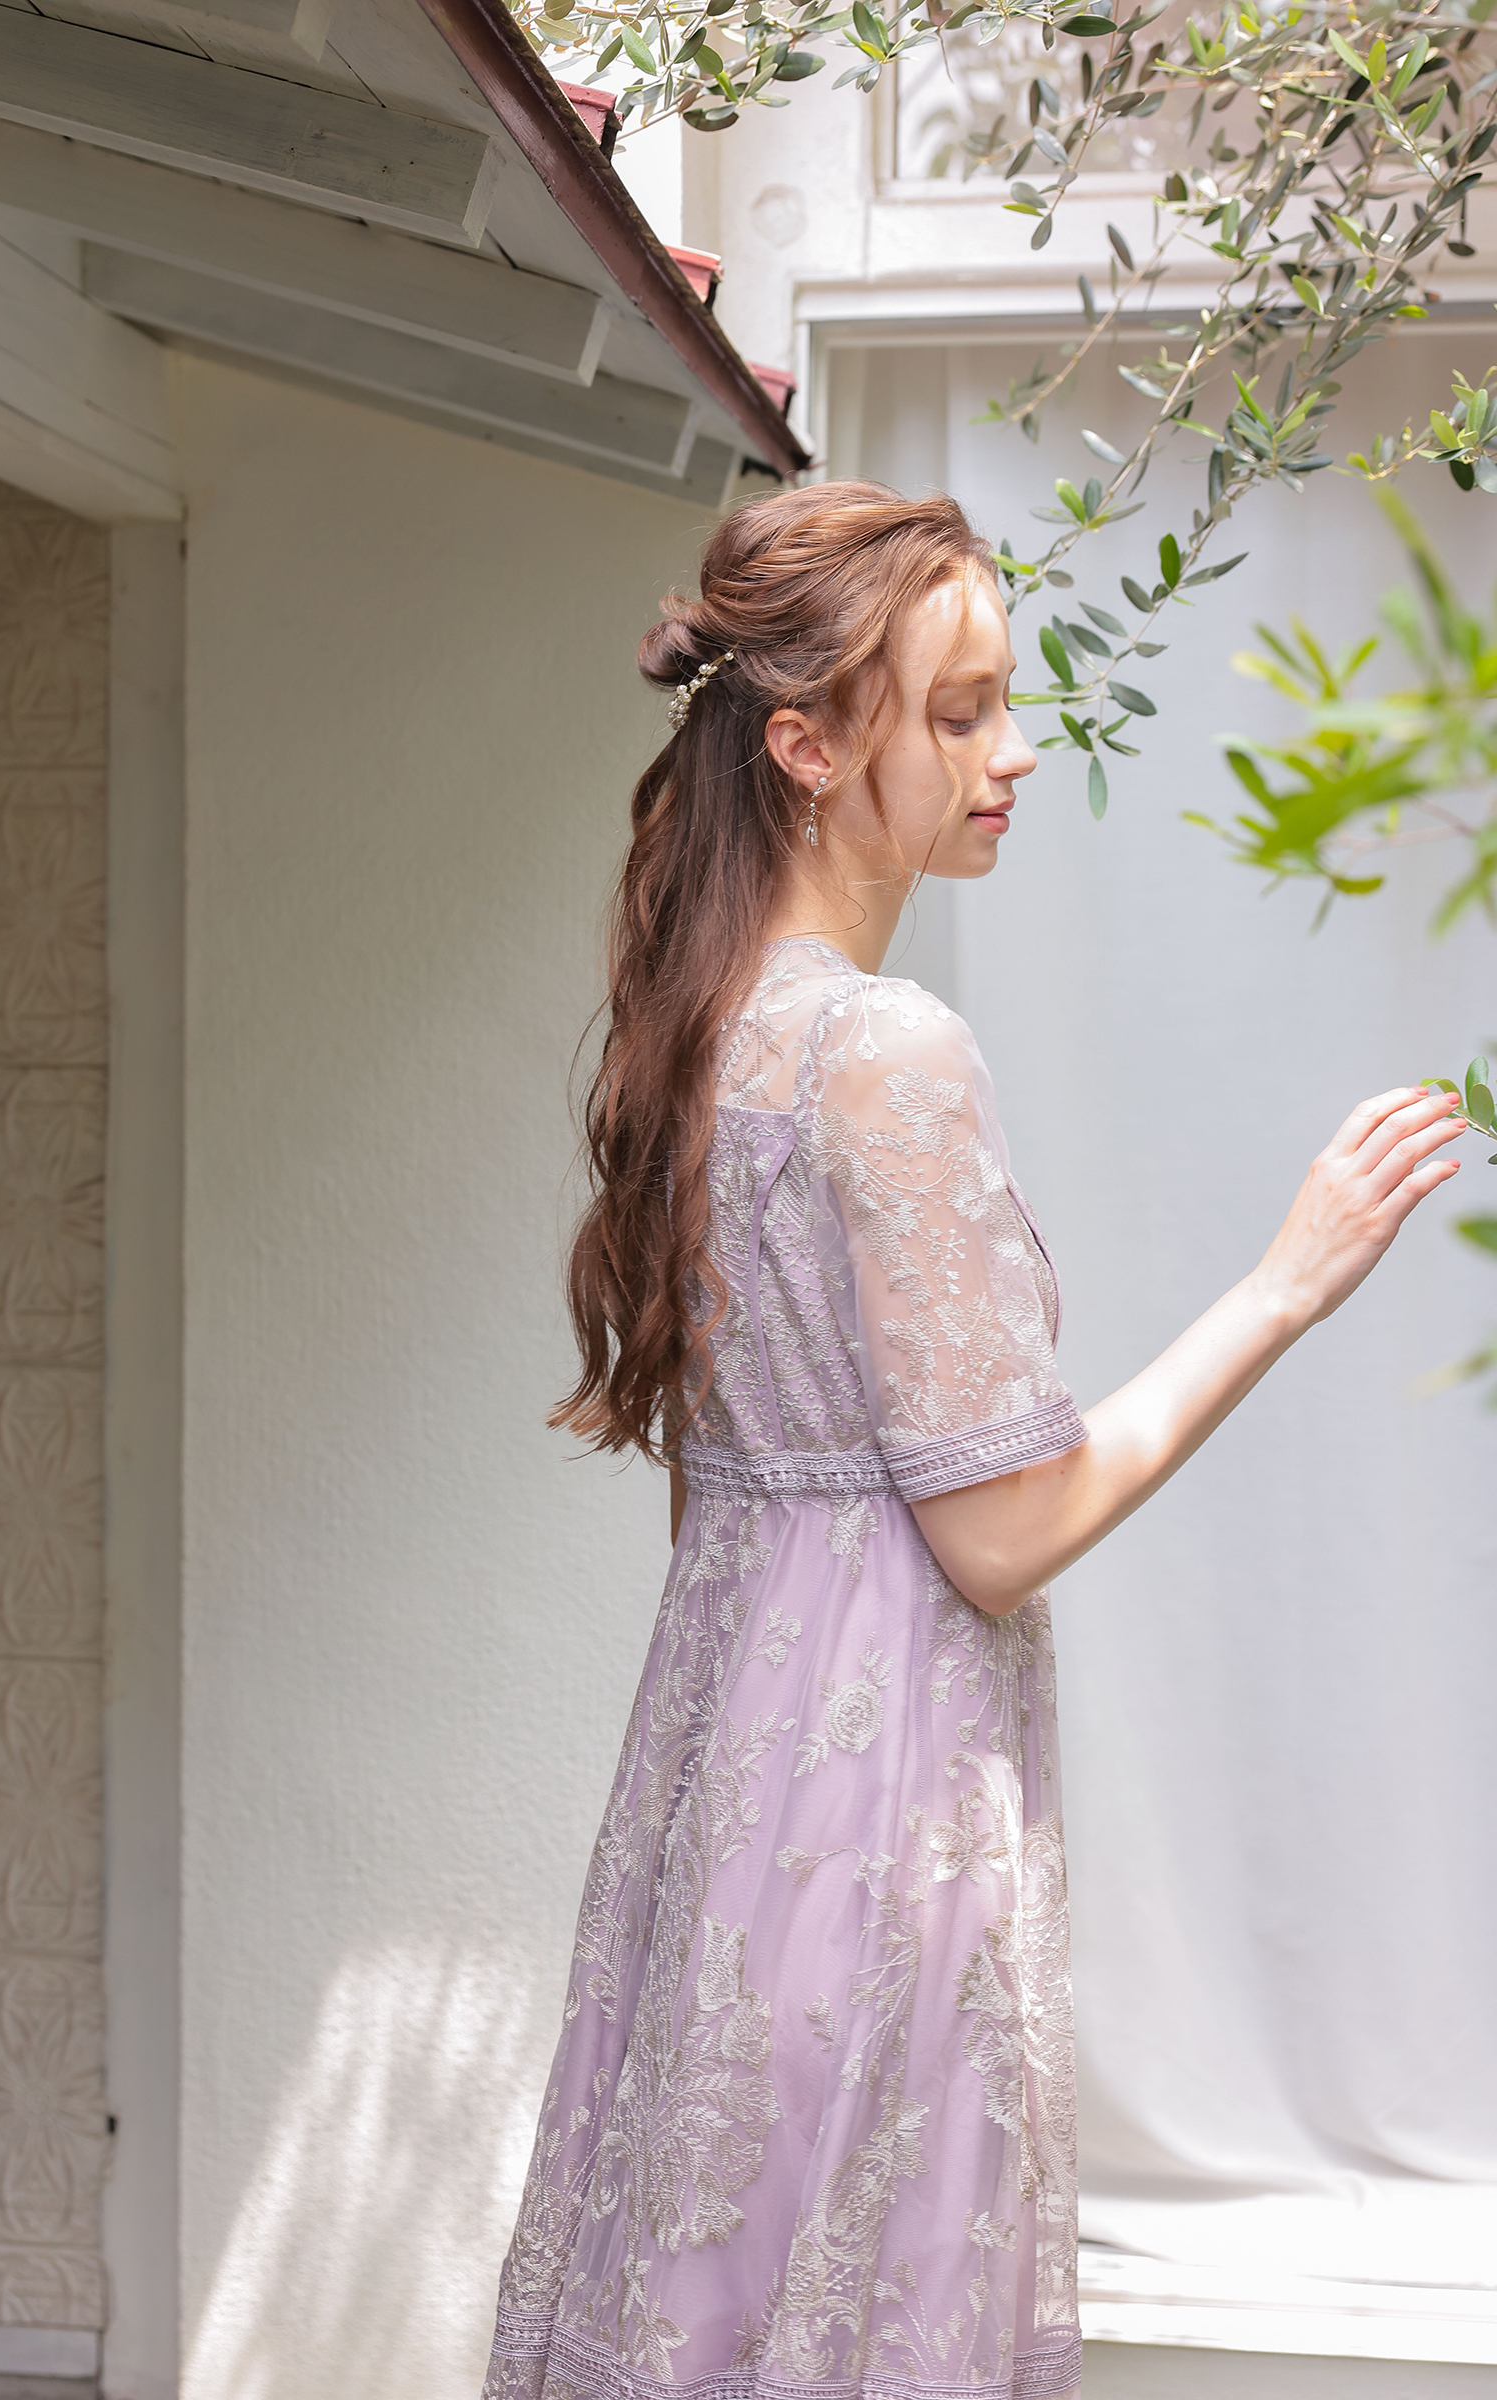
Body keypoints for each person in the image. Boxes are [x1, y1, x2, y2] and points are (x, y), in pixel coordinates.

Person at [479, 482, 1468, 2400]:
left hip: (721, 1767)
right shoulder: (882, 1048)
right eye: (958, 712)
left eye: (1007, 700)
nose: (1012, 753)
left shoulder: (703, 1029)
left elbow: (723, 1485)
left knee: (708, 2303)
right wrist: (1288, 1283)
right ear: (805, 746)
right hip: (885, 1802)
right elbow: (998, 1534)